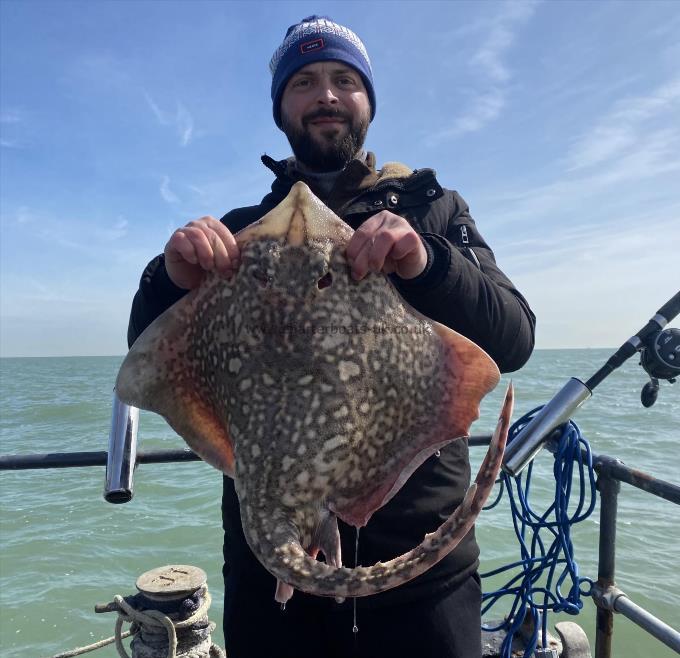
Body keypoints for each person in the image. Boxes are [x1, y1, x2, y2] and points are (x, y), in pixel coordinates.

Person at [127, 15, 535, 658]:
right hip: (270, 574)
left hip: (425, 581)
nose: (326, 95)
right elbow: (148, 357)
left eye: (345, 79)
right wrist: (169, 278)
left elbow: (513, 339)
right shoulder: (237, 236)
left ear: (368, 101)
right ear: (281, 108)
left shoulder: (433, 210)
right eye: (305, 82)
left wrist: (427, 262)